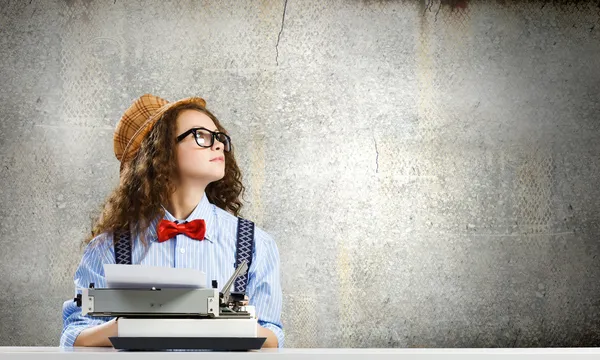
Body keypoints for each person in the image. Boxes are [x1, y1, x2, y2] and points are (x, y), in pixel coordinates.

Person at [59, 94, 284, 348]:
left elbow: (272, 337)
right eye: (201, 135)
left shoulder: (256, 244)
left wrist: (231, 324)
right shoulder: (107, 248)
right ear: (160, 152)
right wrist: (126, 326)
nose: (218, 145)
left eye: (219, 137)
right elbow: (72, 337)